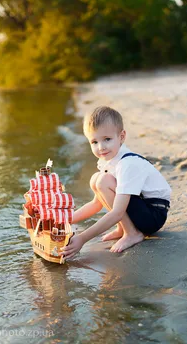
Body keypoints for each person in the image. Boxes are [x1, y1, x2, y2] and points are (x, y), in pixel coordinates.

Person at [59, 106, 171, 259]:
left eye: (107, 139)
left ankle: (132, 233)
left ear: (122, 136)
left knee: (103, 181)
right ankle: (123, 228)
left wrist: (82, 239)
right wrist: (63, 220)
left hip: (153, 215)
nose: (101, 147)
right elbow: (96, 204)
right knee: (96, 179)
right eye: (94, 142)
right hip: (140, 209)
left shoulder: (127, 164)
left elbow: (118, 211)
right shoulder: (109, 161)